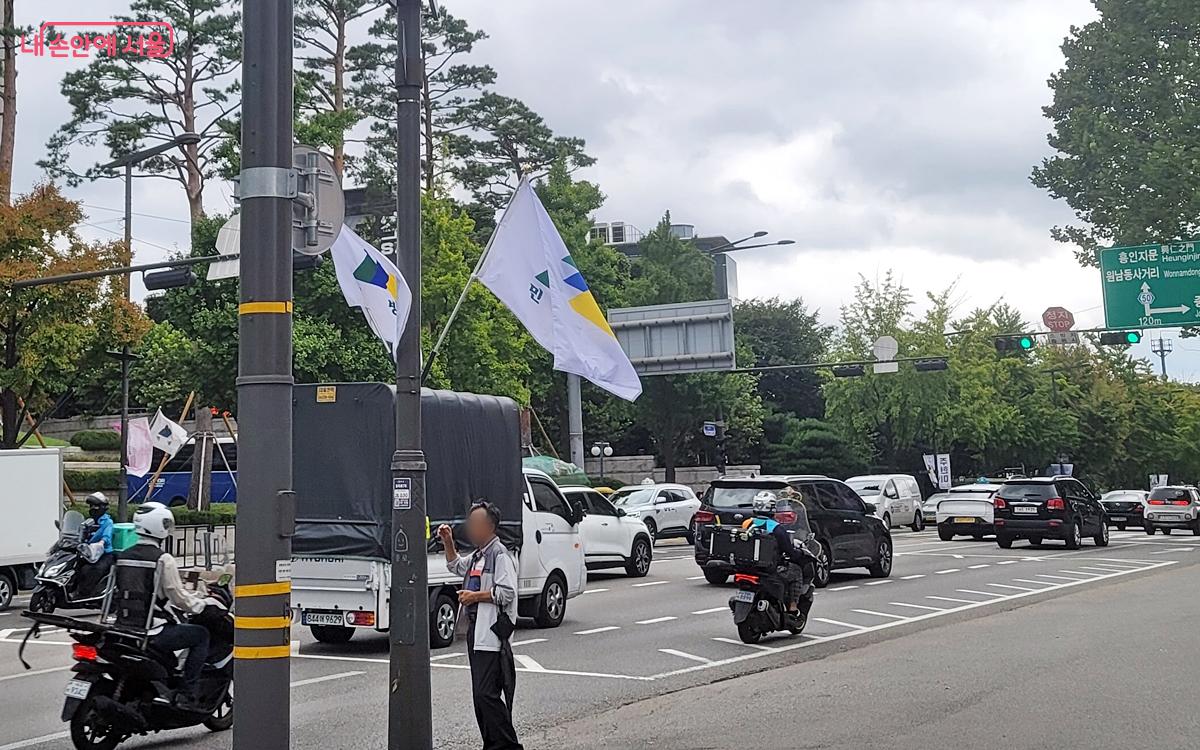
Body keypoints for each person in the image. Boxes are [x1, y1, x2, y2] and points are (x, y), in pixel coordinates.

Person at [438, 503, 523, 750]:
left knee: (487, 694)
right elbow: (455, 566)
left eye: (476, 524)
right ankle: (492, 744)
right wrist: (448, 541)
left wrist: (474, 597)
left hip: (492, 635)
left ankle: (508, 745)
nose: (471, 528)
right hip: (476, 632)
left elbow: (507, 592)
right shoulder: (478, 555)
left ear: (489, 526)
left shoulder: (499, 555)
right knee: (480, 697)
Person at [115, 502, 211, 711]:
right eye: (166, 523)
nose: (168, 528)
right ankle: (188, 692)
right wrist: (200, 605)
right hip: (152, 628)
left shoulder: (123, 556)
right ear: (158, 526)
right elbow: (177, 596)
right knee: (201, 635)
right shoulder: (162, 559)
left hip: (123, 626)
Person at [741, 490, 806, 621]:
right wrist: (798, 556)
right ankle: (793, 608)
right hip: (769, 569)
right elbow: (788, 550)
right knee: (797, 572)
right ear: (772, 507)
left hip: (747, 567)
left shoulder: (747, 523)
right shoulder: (777, 528)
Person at [76, 492, 114, 595]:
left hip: (104, 553)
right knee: (75, 565)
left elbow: (107, 537)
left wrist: (101, 543)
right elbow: (80, 533)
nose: (92, 508)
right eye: (91, 506)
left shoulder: (108, 522)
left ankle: (86, 593)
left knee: (93, 569)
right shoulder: (89, 521)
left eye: (95, 506)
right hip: (89, 552)